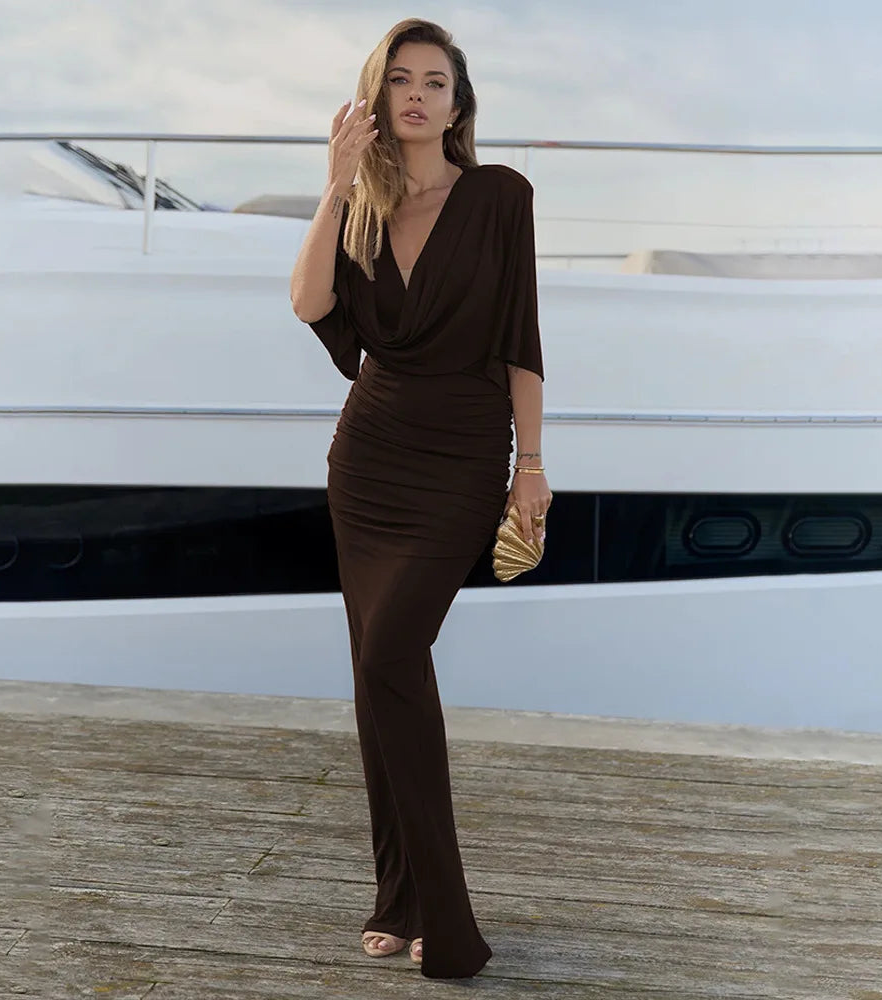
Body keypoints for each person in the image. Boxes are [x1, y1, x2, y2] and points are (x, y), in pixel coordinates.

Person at [289, 17, 550, 980]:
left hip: (460, 459)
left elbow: (521, 336)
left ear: (459, 102)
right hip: (369, 459)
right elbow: (309, 303)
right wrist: (331, 185)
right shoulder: (357, 209)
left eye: (436, 82)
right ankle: (397, 897)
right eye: (400, 80)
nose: (417, 95)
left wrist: (531, 463)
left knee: (393, 650)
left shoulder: (499, 198)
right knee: (376, 674)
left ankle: (446, 911)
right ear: (375, 98)